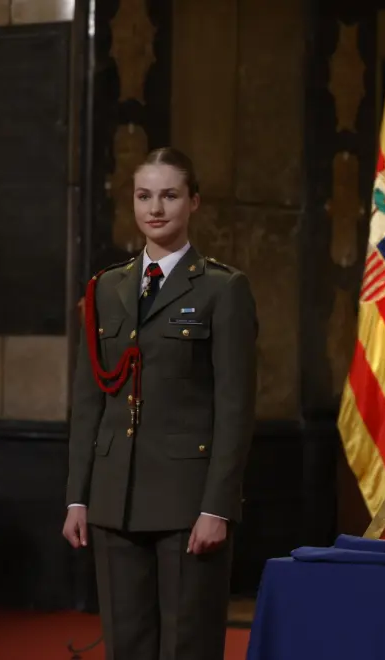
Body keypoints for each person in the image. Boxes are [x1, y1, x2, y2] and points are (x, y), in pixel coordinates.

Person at [62, 147, 258, 660]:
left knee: (186, 646)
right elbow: (90, 401)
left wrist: (218, 506)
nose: (156, 208)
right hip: (113, 498)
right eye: (144, 196)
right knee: (127, 646)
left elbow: (234, 408)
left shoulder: (223, 289)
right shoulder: (107, 288)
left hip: (186, 502)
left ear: (193, 202)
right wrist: (77, 497)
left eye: (169, 195)